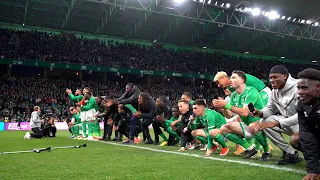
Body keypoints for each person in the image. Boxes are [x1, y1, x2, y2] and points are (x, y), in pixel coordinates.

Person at [213, 70, 271, 161]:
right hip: (249, 116)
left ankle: (266, 150)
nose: (218, 85)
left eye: (218, 82)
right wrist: (224, 108)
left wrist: (227, 105)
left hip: (263, 92)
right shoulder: (234, 93)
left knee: (254, 123)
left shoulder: (250, 89)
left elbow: (244, 111)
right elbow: (230, 114)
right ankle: (250, 148)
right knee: (224, 128)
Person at [253, 65, 302, 165]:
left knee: (297, 140)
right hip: (289, 123)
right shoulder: (275, 91)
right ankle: (291, 154)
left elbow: (301, 115)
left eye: (275, 77)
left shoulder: (299, 87)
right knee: (265, 121)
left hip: (306, 124)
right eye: (270, 78)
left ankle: (314, 156)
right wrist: (260, 112)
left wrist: (277, 123)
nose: (272, 80)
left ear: (285, 76)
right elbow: (270, 109)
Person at [295, 68, 320, 180]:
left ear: (318, 88)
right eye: (298, 88)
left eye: (304, 88)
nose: (299, 92)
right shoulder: (301, 104)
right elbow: (306, 133)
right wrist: (312, 169)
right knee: (296, 139)